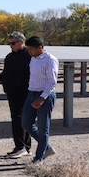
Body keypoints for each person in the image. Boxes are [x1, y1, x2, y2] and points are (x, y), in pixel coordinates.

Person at [21, 36, 58, 164]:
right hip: (31, 93)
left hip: (44, 96)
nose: (29, 51)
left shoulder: (50, 60)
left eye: (31, 49)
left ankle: (39, 158)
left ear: (40, 48)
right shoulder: (33, 59)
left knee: (43, 128)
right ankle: (46, 147)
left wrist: (42, 97)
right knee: (26, 123)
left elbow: (52, 82)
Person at [0, 32, 32, 159]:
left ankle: (21, 147)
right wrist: (0, 77)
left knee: (20, 120)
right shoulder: (10, 57)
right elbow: (7, 72)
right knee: (19, 119)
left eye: (13, 43)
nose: (11, 46)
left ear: (22, 42)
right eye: (9, 43)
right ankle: (25, 147)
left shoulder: (29, 56)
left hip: (24, 92)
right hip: (12, 92)